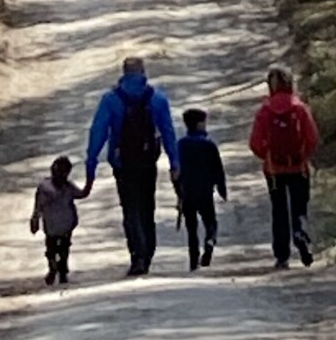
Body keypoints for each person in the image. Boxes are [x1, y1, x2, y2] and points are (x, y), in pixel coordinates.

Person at [85, 57, 179, 276]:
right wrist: (174, 161)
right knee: (147, 205)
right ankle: (148, 251)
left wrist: (91, 163)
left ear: (124, 73)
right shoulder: (157, 98)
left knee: (130, 208)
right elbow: (168, 131)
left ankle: (137, 254)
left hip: (123, 163)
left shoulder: (111, 99)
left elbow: (98, 131)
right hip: (147, 160)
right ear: (143, 72)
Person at [249, 66, 320, 269]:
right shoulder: (300, 109)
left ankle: (282, 255)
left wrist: (268, 156)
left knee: (279, 211)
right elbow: (312, 138)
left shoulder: (265, 111)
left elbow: (255, 143)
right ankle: (301, 237)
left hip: (274, 171)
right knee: (299, 208)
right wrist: (302, 156)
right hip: (299, 168)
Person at [175, 109, 228, 271]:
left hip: (187, 193)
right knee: (210, 222)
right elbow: (218, 169)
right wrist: (222, 189)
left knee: (191, 228)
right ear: (199, 124)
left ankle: (193, 259)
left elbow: (176, 170)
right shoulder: (208, 145)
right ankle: (210, 242)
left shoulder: (181, 145)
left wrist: (178, 192)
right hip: (205, 192)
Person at [30, 156, 90, 285]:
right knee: (59, 248)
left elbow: (38, 207)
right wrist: (89, 182)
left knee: (57, 248)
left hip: (58, 224)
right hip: (61, 224)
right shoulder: (55, 187)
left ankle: (58, 269)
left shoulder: (47, 187)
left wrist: (35, 219)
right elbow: (82, 194)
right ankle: (58, 269)